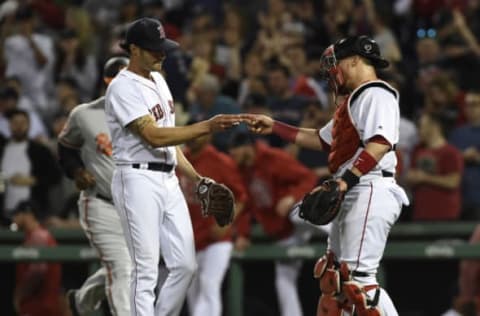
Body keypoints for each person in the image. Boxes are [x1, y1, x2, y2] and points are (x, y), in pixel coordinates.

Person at [243, 35, 409, 315]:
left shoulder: (376, 93)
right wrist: (275, 127)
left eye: (337, 64)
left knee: (359, 281)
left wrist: (347, 180)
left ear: (355, 60)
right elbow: (323, 140)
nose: (332, 72)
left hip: (370, 187)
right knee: (337, 279)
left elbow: (380, 144)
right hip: (356, 187)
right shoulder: (353, 100)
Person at [104, 17, 243, 316]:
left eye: (163, 47)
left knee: (185, 265)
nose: (162, 53)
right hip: (136, 178)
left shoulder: (159, 80)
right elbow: (153, 136)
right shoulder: (122, 87)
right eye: (154, 49)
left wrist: (198, 178)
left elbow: (170, 141)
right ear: (134, 50)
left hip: (168, 179)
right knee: (146, 269)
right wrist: (206, 126)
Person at [58, 56, 131, 316]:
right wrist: (76, 170)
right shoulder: (85, 114)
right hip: (101, 203)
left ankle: (82, 301)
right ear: (107, 82)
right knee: (123, 269)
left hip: (137, 207)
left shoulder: (149, 117)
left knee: (135, 268)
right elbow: (65, 148)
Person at [228, 132, 321, 316]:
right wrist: (243, 235)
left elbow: (308, 177)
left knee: (297, 212)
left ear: (247, 147)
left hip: (300, 216)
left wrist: (291, 197)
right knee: (284, 280)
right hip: (284, 232)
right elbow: (244, 206)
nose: (233, 156)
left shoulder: (272, 157)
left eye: (235, 152)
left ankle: (341, 233)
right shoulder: (242, 172)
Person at [178, 124, 248, 316]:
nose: (193, 138)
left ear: (208, 137)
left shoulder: (219, 161)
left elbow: (241, 196)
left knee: (209, 284)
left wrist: (226, 222)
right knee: (193, 292)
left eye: (198, 134)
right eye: (190, 132)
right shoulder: (180, 159)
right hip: (191, 239)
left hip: (216, 241)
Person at [0, 108, 61, 221]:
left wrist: (33, 180)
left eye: (22, 123)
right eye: (15, 123)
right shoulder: (2, 150)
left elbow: (55, 176)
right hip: (4, 212)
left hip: (35, 213)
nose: (18, 126)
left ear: (29, 125)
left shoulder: (40, 151)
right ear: (9, 125)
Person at [406, 112, 463, 221]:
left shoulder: (451, 152)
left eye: (421, 126)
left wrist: (424, 177)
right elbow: (410, 176)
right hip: (420, 212)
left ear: (434, 127)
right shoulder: (417, 150)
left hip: (445, 214)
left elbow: (453, 181)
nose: (418, 130)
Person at [12, 200, 62, 316]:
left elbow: (38, 271)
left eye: (17, 214)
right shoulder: (35, 235)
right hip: (42, 304)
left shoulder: (38, 235)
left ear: (28, 215)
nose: (14, 218)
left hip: (40, 305)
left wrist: (20, 294)